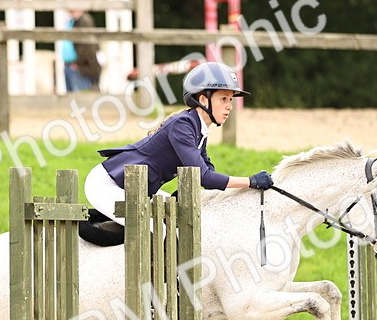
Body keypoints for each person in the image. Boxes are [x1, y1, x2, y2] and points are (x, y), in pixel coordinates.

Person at [84, 61, 274, 225]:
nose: (229, 106)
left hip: (136, 188)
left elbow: (208, 174)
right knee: (161, 231)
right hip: (108, 185)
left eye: (230, 100)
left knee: (178, 221)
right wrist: (250, 182)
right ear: (203, 99)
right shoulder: (183, 126)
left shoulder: (199, 129)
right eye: (223, 98)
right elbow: (205, 177)